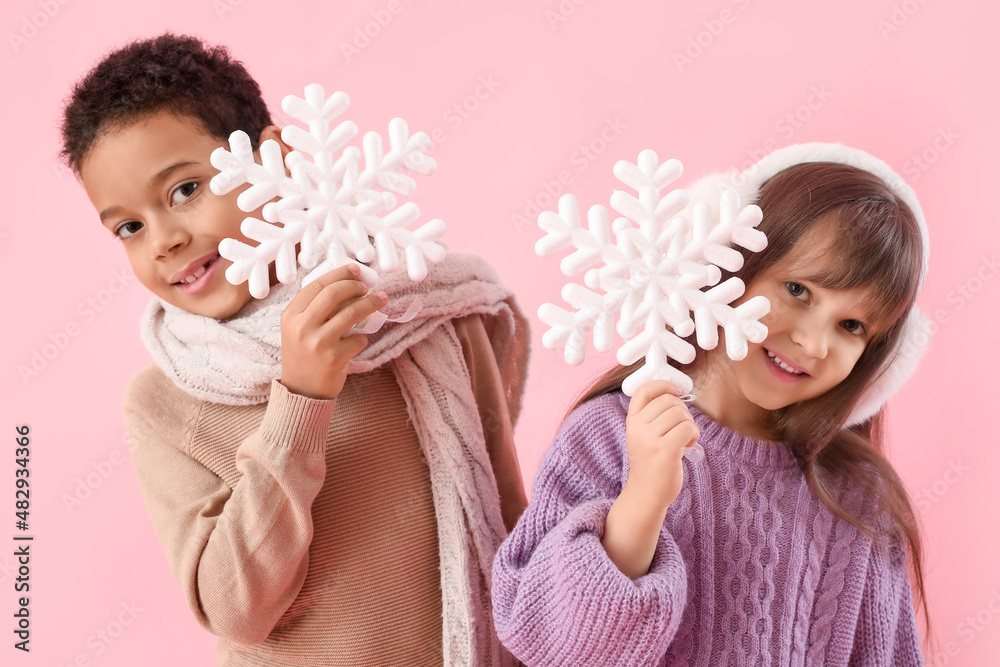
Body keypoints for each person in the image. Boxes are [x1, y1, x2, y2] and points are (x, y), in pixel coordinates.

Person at [61, 33, 528, 666]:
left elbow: (507, 515)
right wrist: (301, 401)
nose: (164, 240)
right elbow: (237, 609)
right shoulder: (164, 401)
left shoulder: (415, 313)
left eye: (185, 190)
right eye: (130, 227)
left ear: (272, 161)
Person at [492, 143, 930, 666]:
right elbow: (548, 641)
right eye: (798, 289)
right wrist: (643, 500)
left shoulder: (859, 499)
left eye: (851, 325)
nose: (813, 343)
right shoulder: (609, 435)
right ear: (729, 264)